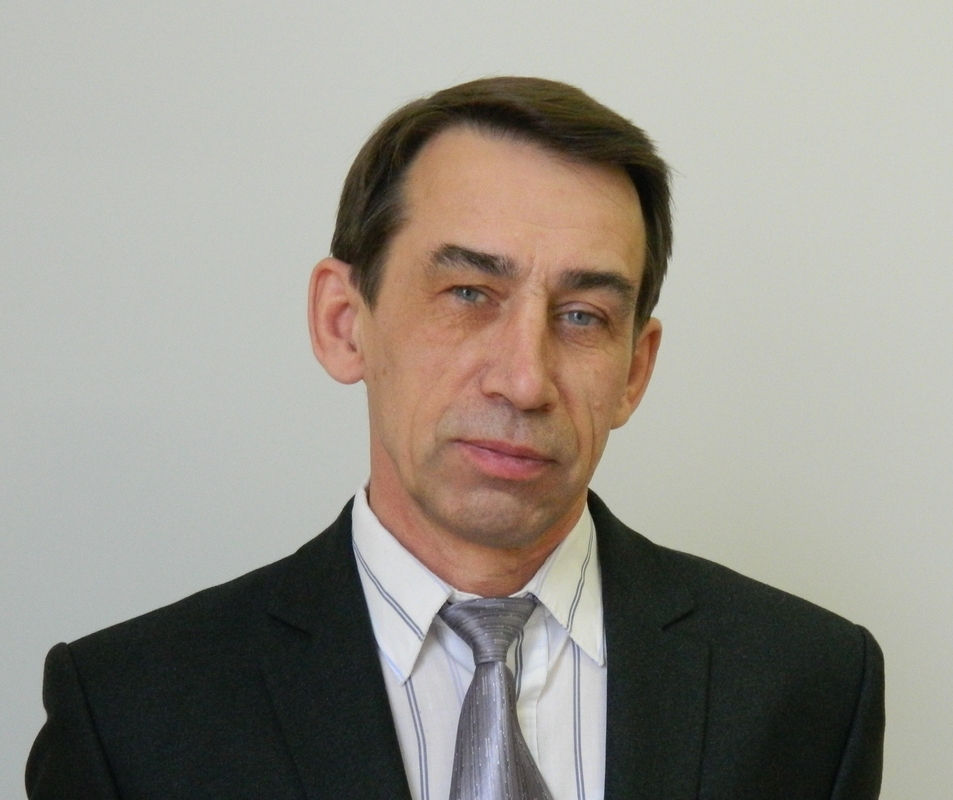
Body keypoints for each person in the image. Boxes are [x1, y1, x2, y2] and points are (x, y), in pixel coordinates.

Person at [26, 77, 884, 799]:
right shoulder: (129, 715)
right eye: (469, 294)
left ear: (634, 369)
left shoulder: (808, 685)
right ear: (342, 322)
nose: (524, 380)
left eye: (583, 316)